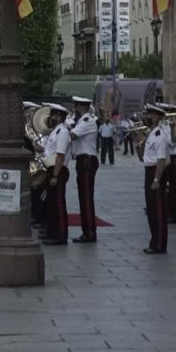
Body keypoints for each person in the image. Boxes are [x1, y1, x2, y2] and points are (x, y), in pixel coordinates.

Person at [68, 96, 99, 244]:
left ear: (82, 107)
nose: (75, 110)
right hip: (83, 160)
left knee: (86, 198)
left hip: (87, 160)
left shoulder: (87, 121)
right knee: (84, 198)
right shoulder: (82, 121)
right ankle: (88, 231)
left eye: (76, 107)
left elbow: (71, 136)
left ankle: (89, 233)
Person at [141, 106, 171, 254]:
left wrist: (157, 179)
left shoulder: (160, 135)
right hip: (149, 171)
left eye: (151, 115)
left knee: (158, 210)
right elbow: (145, 157)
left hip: (155, 172)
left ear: (158, 117)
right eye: (147, 114)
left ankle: (159, 244)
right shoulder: (152, 134)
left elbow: (161, 160)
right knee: (152, 210)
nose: (147, 117)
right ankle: (154, 242)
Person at [42, 105, 71, 246]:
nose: (50, 118)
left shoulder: (63, 132)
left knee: (58, 204)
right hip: (51, 168)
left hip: (58, 170)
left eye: (53, 115)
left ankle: (61, 235)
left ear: (59, 117)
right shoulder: (55, 131)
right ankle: (53, 232)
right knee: (51, 204)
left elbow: (60, 155)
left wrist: (55, 175)